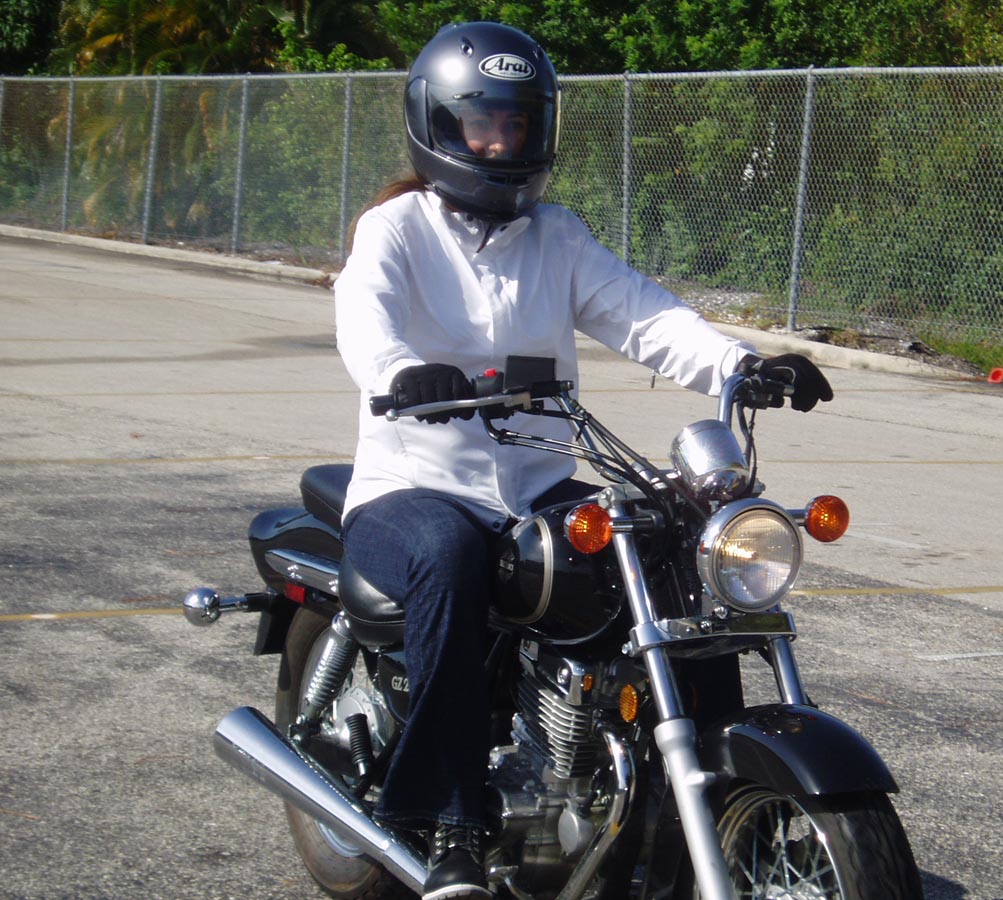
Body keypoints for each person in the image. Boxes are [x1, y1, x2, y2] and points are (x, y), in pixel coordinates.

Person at [332, 21, 833, 900]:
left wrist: (741, 366)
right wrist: (401, 373)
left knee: (669, 548)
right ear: (439, 125)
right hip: (414, 487)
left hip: (531, 485)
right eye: (483, 123)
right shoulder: (397, 228)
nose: (502, 141)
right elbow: (364, 315)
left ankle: (705, 796)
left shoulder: (555, 236)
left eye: (517, 123)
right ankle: (452, 821)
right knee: (448, 557)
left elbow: (643, 314)